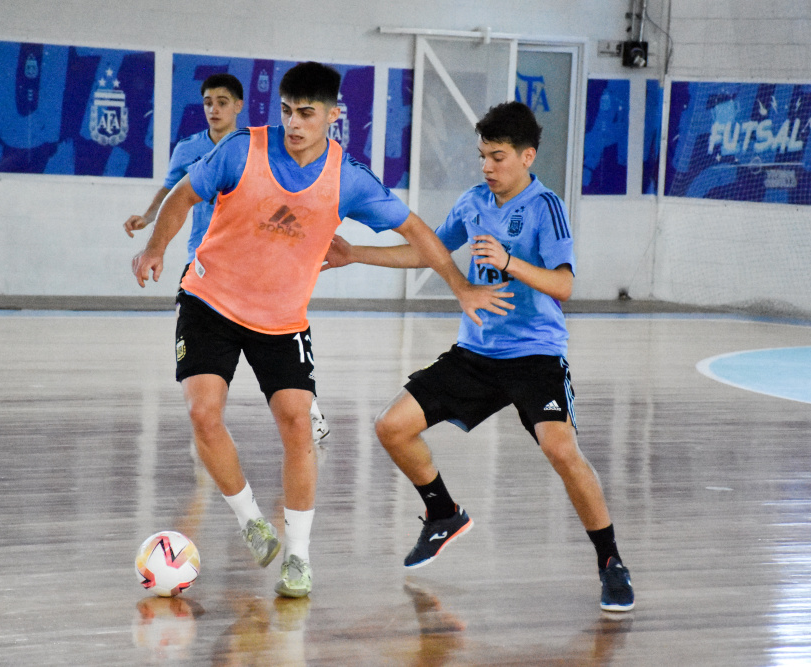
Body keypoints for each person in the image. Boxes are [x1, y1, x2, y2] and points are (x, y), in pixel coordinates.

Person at [131, 61, 510, 598]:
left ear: (333, 116)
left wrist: (460, 286)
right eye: (286, 111)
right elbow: (184, 196)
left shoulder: (347, 178)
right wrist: (155, 247)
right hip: (209, 299)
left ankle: (299, 556)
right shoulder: (242, 149)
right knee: (202, 411)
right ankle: (250, 521)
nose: (294, 123)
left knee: (297, 425)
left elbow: (418, 231)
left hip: (281, 319)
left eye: (307, 113)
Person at [322, 101, 635, 612]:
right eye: (482, 156)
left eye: (497, 157)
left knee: (561, 451)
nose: (487, 167)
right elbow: (430, 252)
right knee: (390, 426)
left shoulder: (545, 207)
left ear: (527, 157)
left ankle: (610, 561)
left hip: (535, 354)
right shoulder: (472, 202)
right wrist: (357, 253)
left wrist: (510, 262)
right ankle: (443, 513)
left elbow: (565, 284)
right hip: (476, 352)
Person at [121, 72, 329, 442]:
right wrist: (149, 219)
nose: (213, 109)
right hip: (203, 258)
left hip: (256, 260)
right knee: (204, 340)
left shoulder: (255, 147)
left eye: (221, 102)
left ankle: (307, 409)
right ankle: (209, 417)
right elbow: (173, 191)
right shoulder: (188, 148)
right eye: (206, 103)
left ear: (238, 106)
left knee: (277, 340)